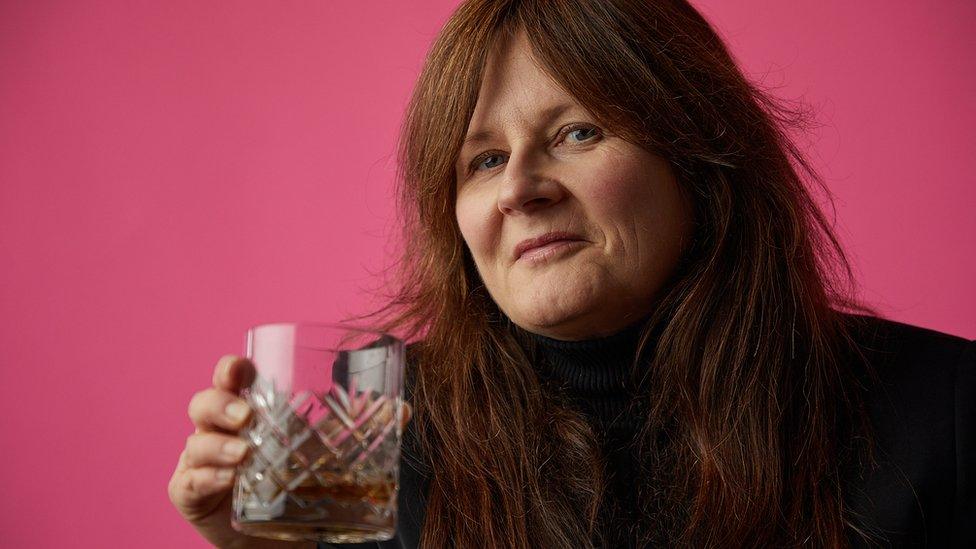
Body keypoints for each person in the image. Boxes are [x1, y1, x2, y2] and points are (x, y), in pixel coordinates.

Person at [168, 0, 975, 547]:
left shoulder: (942, 407)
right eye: (483, 159)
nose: (519, 187)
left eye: (579, 132)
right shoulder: (379, 428)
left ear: (699, 159)